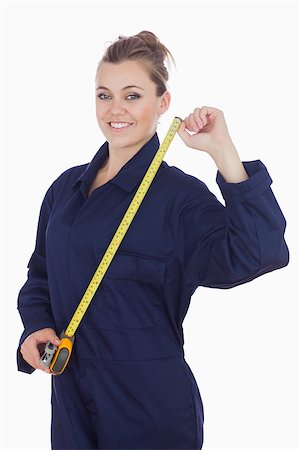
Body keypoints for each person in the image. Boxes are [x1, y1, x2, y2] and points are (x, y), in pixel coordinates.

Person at [17, 30, 289, 450]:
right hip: (71, 400)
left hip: (150, 409)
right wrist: (37, 326)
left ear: (163, 103)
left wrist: (223, 151)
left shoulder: (178, 199)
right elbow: (41, 274)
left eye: (132, 95)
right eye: (104, 95)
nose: (115, 109)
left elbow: (258, 252)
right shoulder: (65, 190)